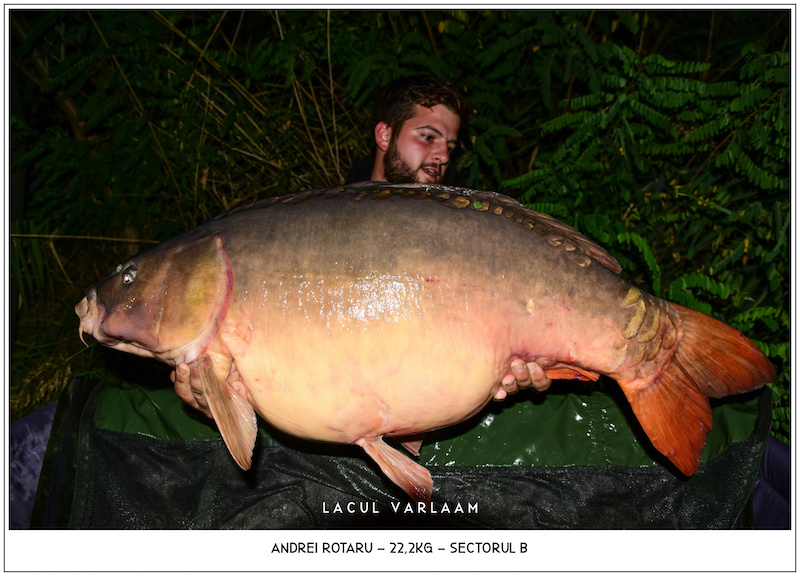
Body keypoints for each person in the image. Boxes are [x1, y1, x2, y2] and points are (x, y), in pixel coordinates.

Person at [172, 74, 551, 419]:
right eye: (428, 136)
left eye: (450, 144)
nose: (444, 155)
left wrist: (513, 363)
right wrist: (218, 392)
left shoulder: (472, 233)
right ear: (384, 136)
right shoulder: (312, 229)